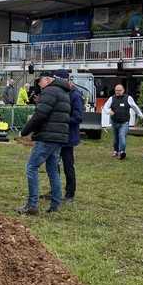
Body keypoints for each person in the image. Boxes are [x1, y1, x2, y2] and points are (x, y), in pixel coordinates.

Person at [16, 71, 71, 215]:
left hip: (47, 137)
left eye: (39, 81)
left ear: (47, 80)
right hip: (59, 137)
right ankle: (55, 204)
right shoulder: (63, 92)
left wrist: (24, 131)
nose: (39, 84)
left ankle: (32, 205)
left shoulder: (49, 91)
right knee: (53, 170)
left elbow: (40, 114)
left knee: (31, 167)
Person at [56, 70, 83, 203]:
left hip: (68, 137)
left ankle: (70, 193)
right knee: (53, 164)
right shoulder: (60, 93)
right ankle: (54, 190)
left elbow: (78, 117)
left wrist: (61, 119)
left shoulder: (75, 95)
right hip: (56, 136)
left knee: (68, 165)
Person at [104, 84, 143, 159]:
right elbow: (105, 107)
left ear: (123, 90)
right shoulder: (111, 98)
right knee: (116, 138)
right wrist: (108, 111)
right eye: (116, 90)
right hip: (114, 122)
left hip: (124, 122)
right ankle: (116, 151)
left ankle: (122, 152)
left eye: (119, 90)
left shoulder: (128, 98)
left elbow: (135, 107)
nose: (117, 92)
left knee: (122, 136)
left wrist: (141, 115)